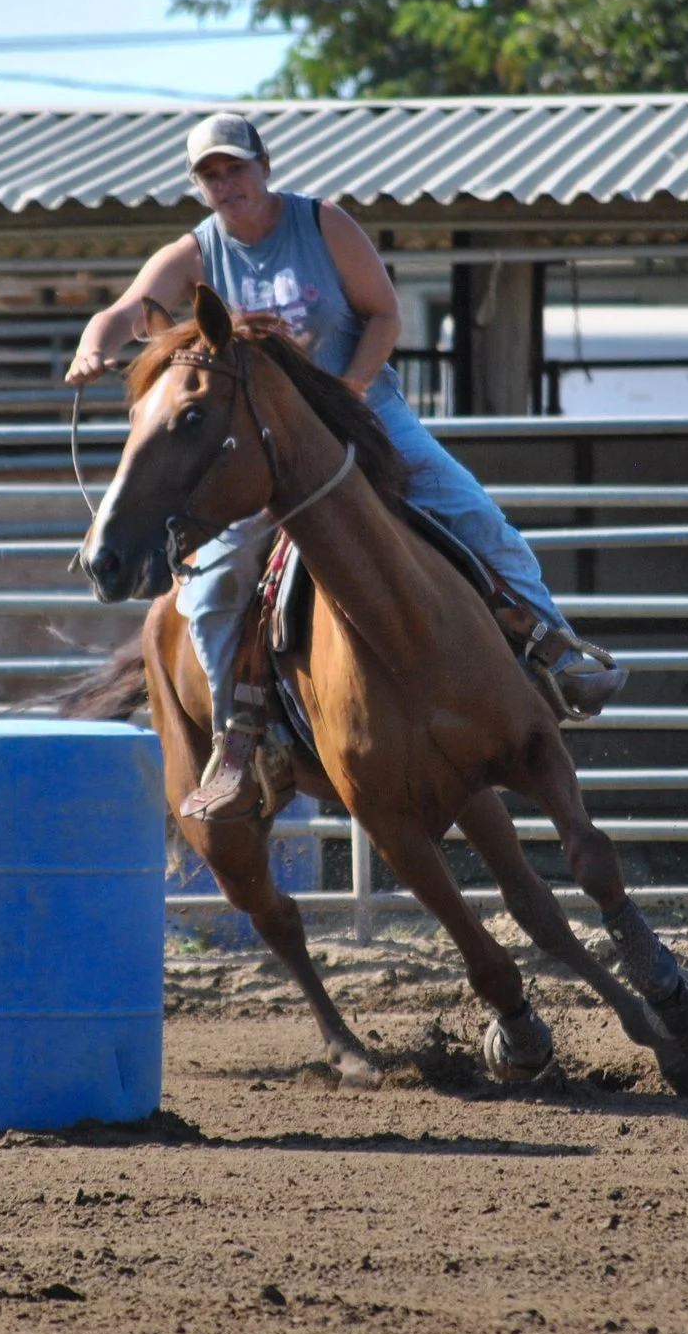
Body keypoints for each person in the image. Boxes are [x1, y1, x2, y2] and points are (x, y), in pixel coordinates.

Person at [64, 112, 628, 820]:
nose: (226, 183)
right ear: (198, 187)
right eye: (211, 175)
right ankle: (242, 739)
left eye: (235, 167)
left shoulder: (323, 223)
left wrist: (348, 393)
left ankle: (557, 654)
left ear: (264, 165)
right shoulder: (198, 252)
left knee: (473, 514)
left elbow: (384, 315)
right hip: (265, 445)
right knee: (207, 592)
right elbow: (122, 312)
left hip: (365, 416)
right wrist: (94, 345)